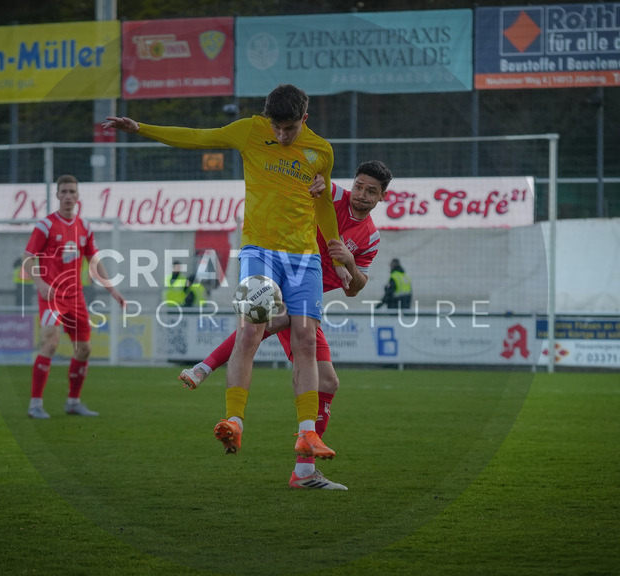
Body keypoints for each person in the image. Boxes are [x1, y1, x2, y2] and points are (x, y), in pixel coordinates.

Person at [105, 84, 351, 463]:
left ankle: (307, 434)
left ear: (304, 118)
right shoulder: (250, 130)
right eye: (276, 128)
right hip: (259, 252)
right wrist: (141, 128)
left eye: (289, 129)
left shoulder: (322, 150)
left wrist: (335, 252)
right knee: (251, 330)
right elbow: (198, 137)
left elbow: (323, 207)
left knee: (304, 340)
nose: (281, 136)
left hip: (305, 258)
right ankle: (234, 420)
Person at [179, 160, 393, 490]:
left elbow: (354, 288)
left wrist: (349, 262)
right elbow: (300, 187)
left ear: (382, 198)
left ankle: (303, 469)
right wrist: (313, 182)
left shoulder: (372, 237)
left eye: (372, 191)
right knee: (268, 321)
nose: (362, 195)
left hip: (309, 300)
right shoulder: (332, 195)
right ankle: (206, 371)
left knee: (329, 382)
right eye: (360, 186)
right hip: (284, 276)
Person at [23, 174, 126, 419]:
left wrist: (112, 289)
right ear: (57, 195)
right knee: (50, 341)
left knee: (84, 349)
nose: (68, 196)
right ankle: (35, 404)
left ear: (78, 197)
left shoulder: (85, 227)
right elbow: (28, 258)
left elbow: (94, 261)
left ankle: (73, 402)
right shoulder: (45, 226)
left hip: (76, 297)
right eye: (64, 192)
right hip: (51, 295)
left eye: (72, 192)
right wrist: (39, 283)